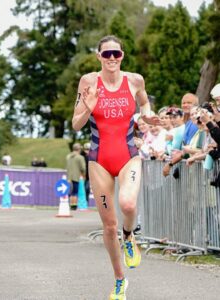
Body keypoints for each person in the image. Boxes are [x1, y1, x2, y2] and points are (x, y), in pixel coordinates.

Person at [72, 35, 160, 299]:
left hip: (127, 153)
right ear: (98, 56)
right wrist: (87, 108)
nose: (112, 59)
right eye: (106, 54)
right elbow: (76, 124)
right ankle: (120, 279)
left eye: (116, 54)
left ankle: (129, 235)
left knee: (129, 205)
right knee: (108, 226)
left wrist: (147, 115)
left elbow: (144, 102)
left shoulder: (135, 80)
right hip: (99, 159)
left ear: (122, 56)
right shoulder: (88, 82)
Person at [66, 143, 86, 210]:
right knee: (75, 191)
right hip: (77, 177)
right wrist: (84, 175)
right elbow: (83, 168)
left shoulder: (68, 156)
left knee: (70, 191)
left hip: (69, 177)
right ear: (79, 149)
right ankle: (74, 206)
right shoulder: (80, 157)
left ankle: (71, 205)